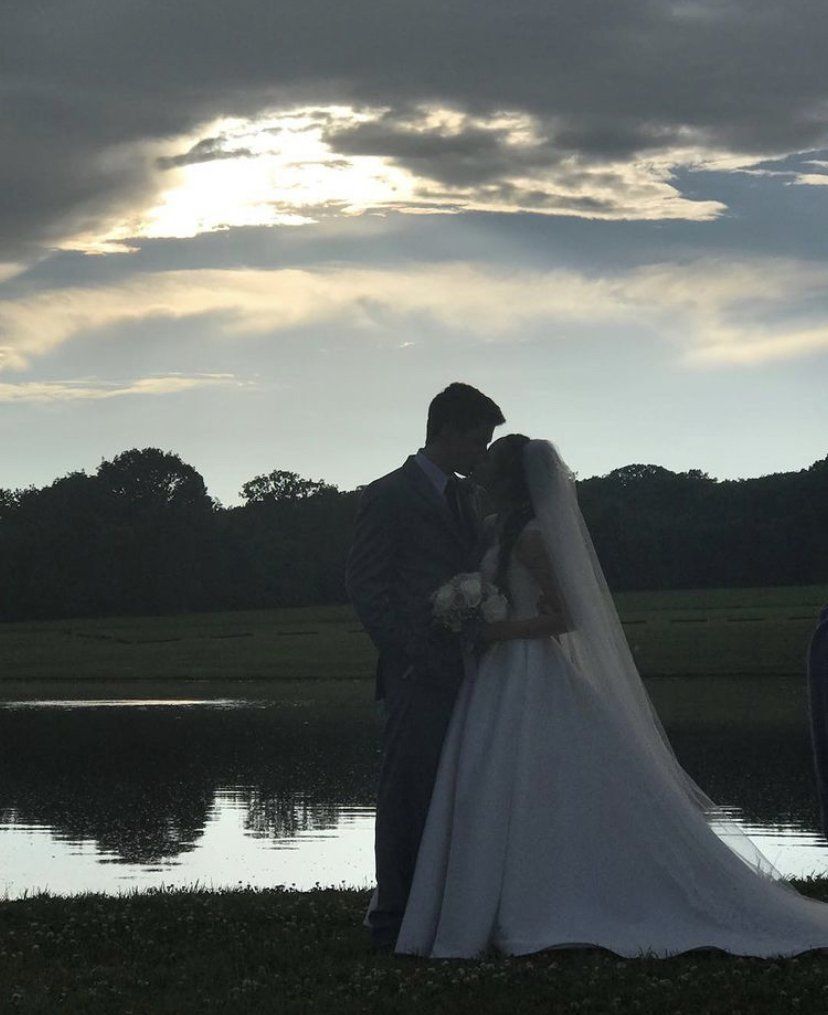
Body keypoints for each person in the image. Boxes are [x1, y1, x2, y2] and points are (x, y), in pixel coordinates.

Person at [395, 435, 828, 958]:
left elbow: (565, 617)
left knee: (529, 777)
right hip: (495, 675)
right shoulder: (495, 530)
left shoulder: (531, 537)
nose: (479, 464)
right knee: (490, 780)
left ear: (508, 476)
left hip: (527, 669)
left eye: (490, 460)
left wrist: (494, 631)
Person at [348, 383, 536, 951]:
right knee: (406, 793)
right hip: (417, 672)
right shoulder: (388, 495)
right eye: (479, 438)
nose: (483, 450)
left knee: (456, 792)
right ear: (447, 432)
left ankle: (444, 909)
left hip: (472, 671)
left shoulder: (467, 499)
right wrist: (409, 657)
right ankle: (393, 919)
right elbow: (367, 585)